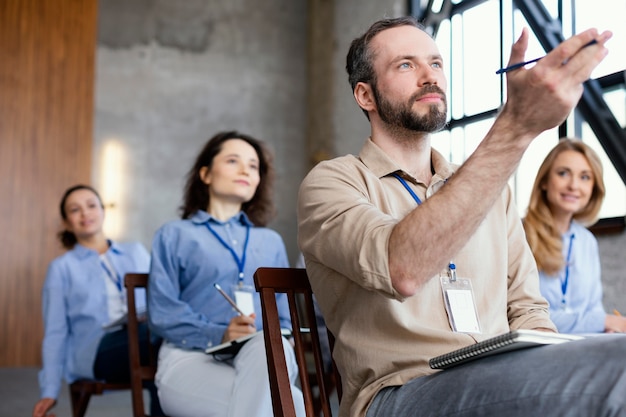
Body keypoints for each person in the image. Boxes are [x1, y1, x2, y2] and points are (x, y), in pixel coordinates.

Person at [297, 16, 626, 417]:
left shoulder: (491, 191)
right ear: (365, 96)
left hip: (500, 377)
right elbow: (402, 268)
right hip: (401, 393)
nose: (429, 77)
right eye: (405, 65)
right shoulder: (332, 182)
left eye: (435, 63)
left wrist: (547, 369)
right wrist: (515, 128)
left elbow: (529, 310)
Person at [148, 131, 305, 417]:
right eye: (233, 160)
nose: (246, 169)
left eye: (253, 165)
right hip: (190, 359)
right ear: (205, 174)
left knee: (269, 344)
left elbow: (284, 316)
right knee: (291, 406)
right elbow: (162, 312)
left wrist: (287, 336)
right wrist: (219, 333)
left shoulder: (270, 242)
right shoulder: (174, 234)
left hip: (260, 357)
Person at [33, 184, 162, 417]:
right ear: (66, 222)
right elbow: (55, 333)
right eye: (75, 210)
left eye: (91, 206)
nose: (85, 214)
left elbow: (161, 298)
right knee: (163, 343)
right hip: (97, 352)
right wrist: (49, 391)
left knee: (165, 362)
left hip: (145, 340)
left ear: (103, 211)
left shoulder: (135, 251)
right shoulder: (62, 268)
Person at [523, 138, 626, 333]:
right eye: (563, 173)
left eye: (585, 177)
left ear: (593, 188)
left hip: (581, 345)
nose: (574, 185)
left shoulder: (587, 241)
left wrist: (607, 328)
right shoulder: (519, 234)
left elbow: (593, 308)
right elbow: (526, 317)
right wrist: (604, 322)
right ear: (544, 181)